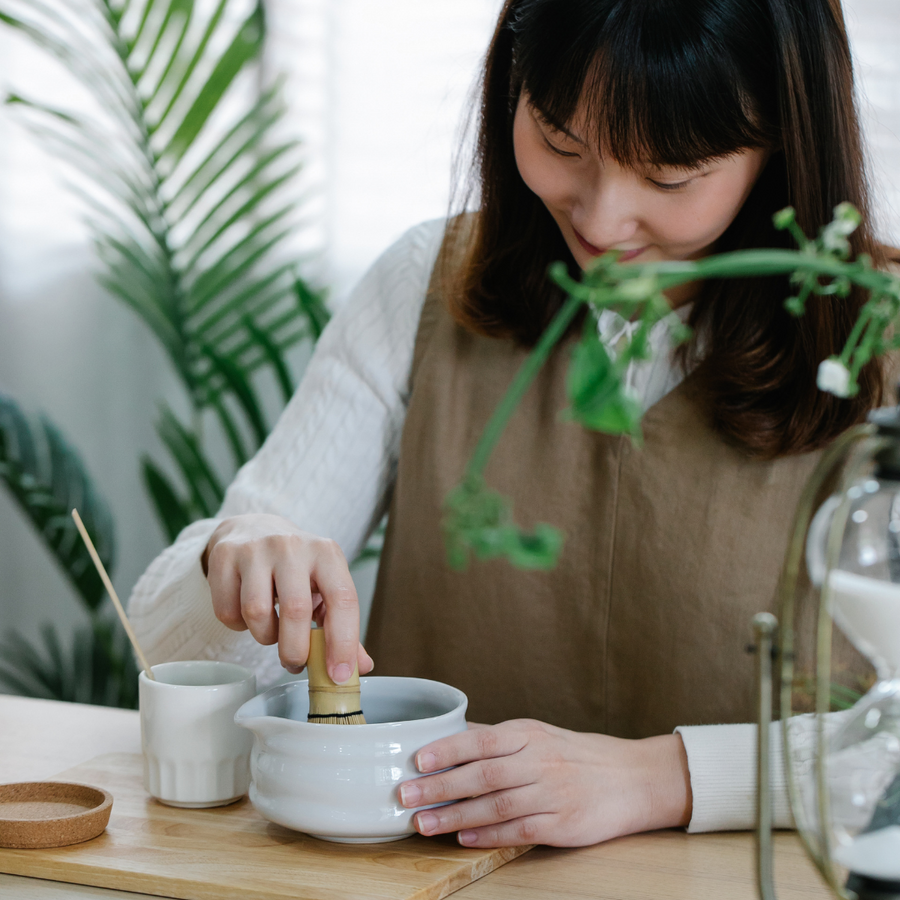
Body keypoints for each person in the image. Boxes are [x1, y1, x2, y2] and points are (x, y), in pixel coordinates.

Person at [128, 0, 887, 848]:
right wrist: (236, 554)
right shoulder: (427, 283)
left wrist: (658, 777)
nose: (599, 221)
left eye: (670, 176)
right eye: (561, 140)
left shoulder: (877, 343)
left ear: (784, 143)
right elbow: (163, 648)